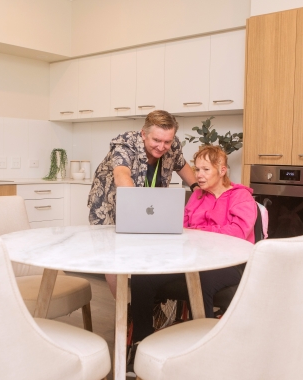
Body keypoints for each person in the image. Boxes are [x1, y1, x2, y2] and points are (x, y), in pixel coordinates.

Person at [128, 145, 258, 361]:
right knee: (143, 277)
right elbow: (182, 228)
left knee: (200, 279)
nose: (199, 175)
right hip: (194, 260)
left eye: (206, 170)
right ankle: (141, 343)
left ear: (222, 170)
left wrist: (196, 233)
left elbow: (236, 233)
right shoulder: (197, 196)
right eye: (197, 169)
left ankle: (203, 352)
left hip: (231, 263)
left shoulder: (240, 196)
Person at [88, 110, 198, 296]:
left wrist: (198, 189)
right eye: (156, 140)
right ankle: (123, 308)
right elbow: (121, 174)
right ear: (143, 133)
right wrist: (135, 204)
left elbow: (181, 165)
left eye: (167, 141)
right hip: (110, 203)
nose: (162, 146)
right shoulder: (125, 143)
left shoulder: (172, 144)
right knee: (113, 257)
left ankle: (149, 301)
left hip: (148, 205)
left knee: (151, 249)